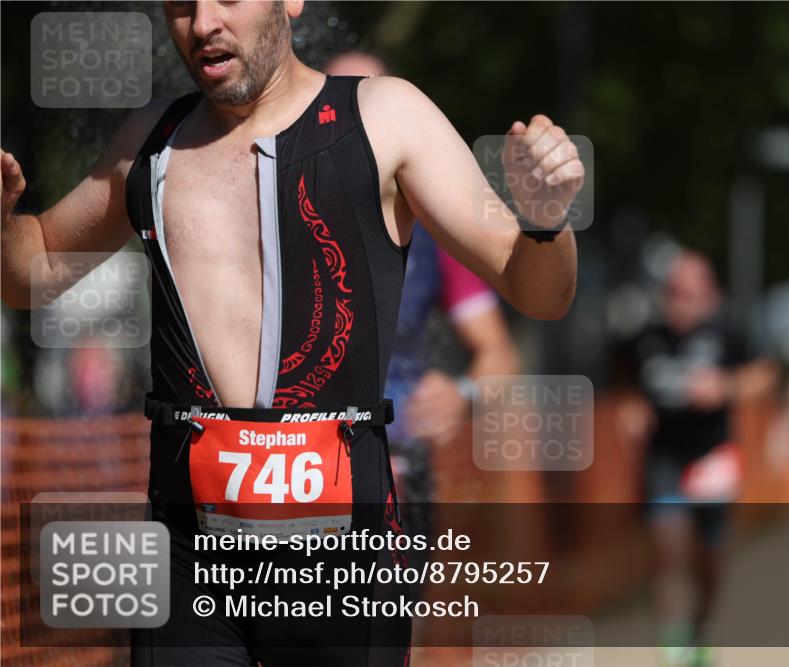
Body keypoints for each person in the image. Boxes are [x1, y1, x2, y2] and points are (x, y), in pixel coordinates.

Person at [0, 2, 582, 666]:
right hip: (191, 549)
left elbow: (539, 291)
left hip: (340, 548)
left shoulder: (386, 117)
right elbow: (33, 271)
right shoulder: (150, 141)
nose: (204, 23)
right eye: (183, 6)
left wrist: (545, 220)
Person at [325, 49, 521, 583]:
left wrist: (462, 393)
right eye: (339, 99)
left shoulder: (434, 230)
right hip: (289, 471)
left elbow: (500, 354)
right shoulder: (269, 204)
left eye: (370, 98)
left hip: (400, 469)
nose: (353, 117)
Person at [626, 251, 767, 667]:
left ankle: (700, 627)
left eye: (689, 294)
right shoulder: (646, 337)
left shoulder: (728, 330)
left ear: (709, 295)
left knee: (710, 557)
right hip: (665, 456)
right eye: (673, 293)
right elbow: (627, 385)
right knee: (667, 545)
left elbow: (764, 374)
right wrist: (632, 411)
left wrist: (727, 386)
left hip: (712, 457)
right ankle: (673, 648)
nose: (680, 302)